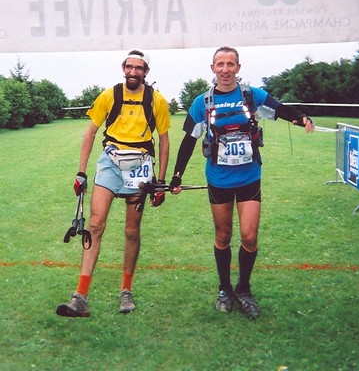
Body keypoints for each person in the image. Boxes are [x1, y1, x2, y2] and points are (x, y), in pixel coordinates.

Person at [169, 46, 314, 319]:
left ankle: (244, 289)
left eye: (230, 64)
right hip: (219, 179)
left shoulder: (251, 95)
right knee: (223, 236)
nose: (225, 69)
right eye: (220, 64)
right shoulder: (203, 102)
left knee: (249, 236)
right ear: (212, 68)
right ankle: (225, 289)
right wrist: (177, 175)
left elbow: (279, 109)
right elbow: (188, 141)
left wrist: (300, 117)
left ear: (238, 67)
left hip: (249, 177)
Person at [56, 49, 170, 317]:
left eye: (138, 68)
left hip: (140, 165)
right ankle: (80, 296)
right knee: (95, 225)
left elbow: (164, 140)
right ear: (123, 68)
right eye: (129, 67)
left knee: (132, 230)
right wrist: (81, 172)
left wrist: (161, 181)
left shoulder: (157, 101)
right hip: (110, 162)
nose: (133, 72)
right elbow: (90, 132)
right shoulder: (109, 95)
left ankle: (126, 292)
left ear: (146, 72)